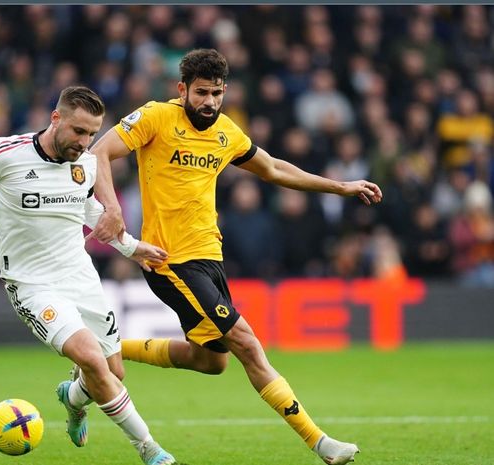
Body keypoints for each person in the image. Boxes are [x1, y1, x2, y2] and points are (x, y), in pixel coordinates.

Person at [90, 49, 384, 465]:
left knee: (211, 362)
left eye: (217, 93)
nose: (210, 101)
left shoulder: (227, 131)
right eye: (202, 93)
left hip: (210, 258)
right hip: (170, 261)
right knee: (247, 343)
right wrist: (113, 209)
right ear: (182, 89)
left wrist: (340, 187)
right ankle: (321, 443)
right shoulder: (156, 116)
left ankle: (108, 350)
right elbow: (99, 152)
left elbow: (276, 169)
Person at [0, 86, 177, 465]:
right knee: (91, 358)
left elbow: (87, 211)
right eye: (78, 131)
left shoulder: (84, 164)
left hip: (80, 277)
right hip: (32, 285)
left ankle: (72, 398)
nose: (85, 142)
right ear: (56, 119)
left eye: (91, 134)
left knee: (113, 371)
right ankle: (150, 450)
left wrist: (132, 248)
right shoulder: (2, 154)